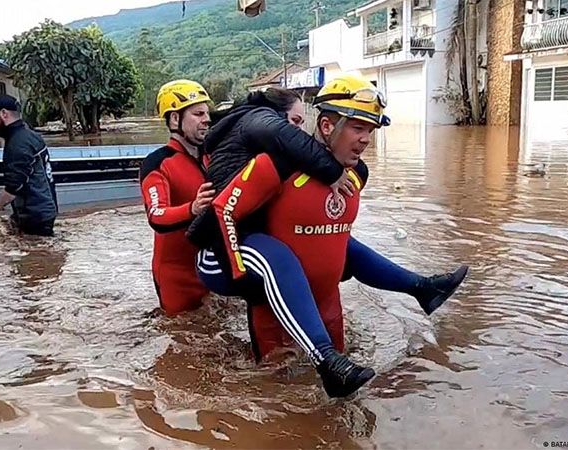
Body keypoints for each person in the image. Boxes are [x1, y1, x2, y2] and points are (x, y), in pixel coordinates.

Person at [189, 78, 468, 397]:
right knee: (273, 395)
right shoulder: (276, 166)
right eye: (357, 128)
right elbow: (224, 211)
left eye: (371, 130)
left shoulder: (357, 175)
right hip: (272, 301)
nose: (365, 140)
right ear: (325, 125)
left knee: (346, 399)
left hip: (326, 297)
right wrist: (241, 277)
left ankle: (422, 289)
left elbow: (334, 240)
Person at [138, 80, 217, 315]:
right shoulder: (157, 163)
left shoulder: (212, 157)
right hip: (176, 277)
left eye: (207, 113)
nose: (207, 119)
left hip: (212, 269)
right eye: (198, 113)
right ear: (175, 119)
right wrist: (192, 208)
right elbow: (156, 215)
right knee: (180, 338)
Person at [0, 95, 58, 236]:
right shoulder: (31, 136)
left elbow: (12, 189)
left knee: (36, 256)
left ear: (3, 114)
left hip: (35, 216)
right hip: (44, 210)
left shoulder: (18, 144)